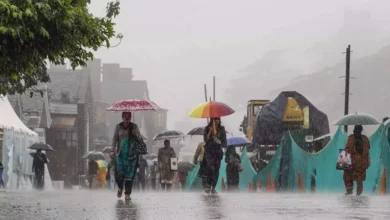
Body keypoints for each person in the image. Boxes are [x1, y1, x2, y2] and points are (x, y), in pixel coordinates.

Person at [112, 112, 147, 200]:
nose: (127, 118)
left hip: (132, 155)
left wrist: (135, 134)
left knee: (130, 175)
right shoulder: (118, 127)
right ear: (122, 117)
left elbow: (139, 138)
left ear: (131, 117)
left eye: (129, 116)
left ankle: (127, 193)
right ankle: (120, 187)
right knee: (120, 174)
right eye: (125, 116)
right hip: (120, 154)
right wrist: (112, 150)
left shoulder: (134, 127)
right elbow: (115, 139)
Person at [343, 125, 370, 196]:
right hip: (360, 160)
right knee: (358, 177)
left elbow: (347, 148)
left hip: (353, 159)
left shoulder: (351, 137)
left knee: (348, 175)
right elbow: (367, 150)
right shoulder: (365, 138)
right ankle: (358, 192)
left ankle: (350, 190)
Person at [203, 117, 226, 194]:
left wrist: (220, 142)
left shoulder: (222, 129)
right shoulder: (207, 128)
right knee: (210, 168)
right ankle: (208, 185)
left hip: (218, 153)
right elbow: (205, 140)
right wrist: (210, 132)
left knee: (216, 170)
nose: (217, 121)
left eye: (218, 119)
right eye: (215, 119)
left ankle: (213, 187)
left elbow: (224, 142)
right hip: (209, 152)